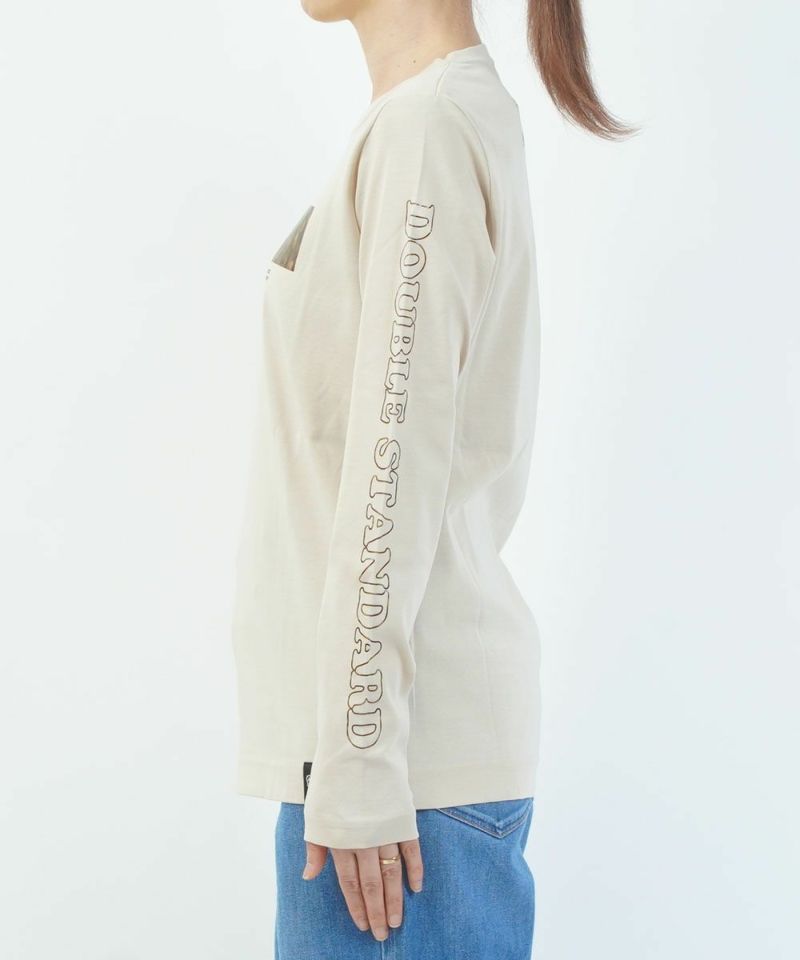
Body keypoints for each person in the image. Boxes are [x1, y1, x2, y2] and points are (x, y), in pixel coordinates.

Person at [230, 1, 633, 957]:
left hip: (395, 788)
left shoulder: (427, 131)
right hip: (387, 772)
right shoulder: (426, 121)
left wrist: (361, 759)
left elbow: (392, 472)